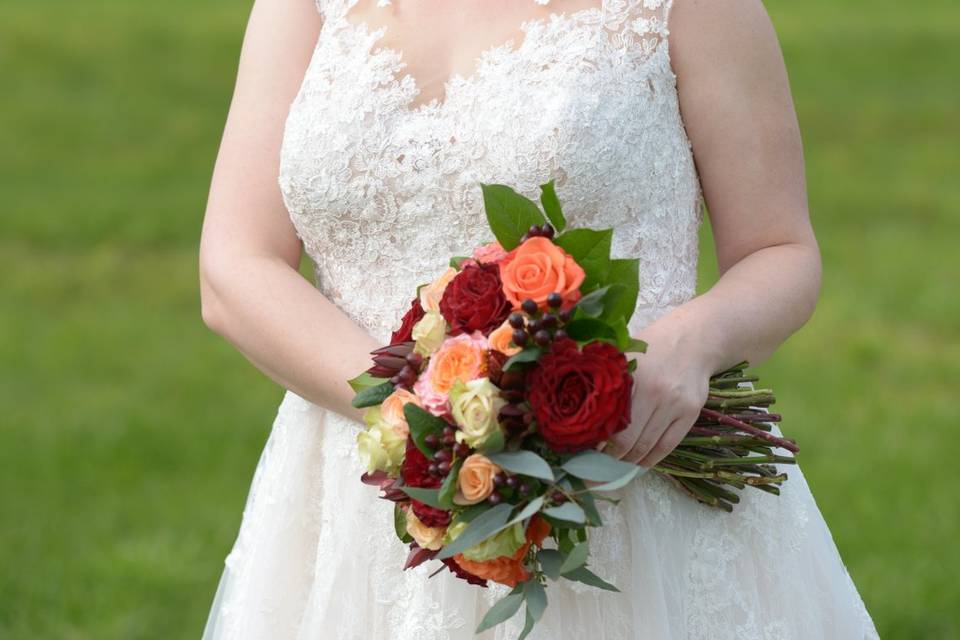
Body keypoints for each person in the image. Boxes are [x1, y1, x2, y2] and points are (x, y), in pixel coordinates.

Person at [198, 0, 879, 637]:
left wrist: (694, 342)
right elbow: (235, 263)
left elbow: (780, 251)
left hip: (621, 477)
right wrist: (424, 417)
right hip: (356, 497)